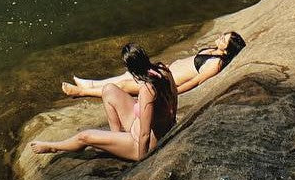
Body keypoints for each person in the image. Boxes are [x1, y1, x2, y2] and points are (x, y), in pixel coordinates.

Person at [30, 44, 178, 162]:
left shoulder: (148, 90)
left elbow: (145, 134)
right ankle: (115, 140)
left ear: (131, 68)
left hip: (141, 143)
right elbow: (174, 103)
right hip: (137, 126)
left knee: (85, 137)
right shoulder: (162, 69)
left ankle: (53, 147)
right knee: (108, 90)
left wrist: (142, 163)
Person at [61, 31, 246, 98]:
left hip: (164, 83)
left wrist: (174, 92)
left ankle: (82, 92)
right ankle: (90, 84)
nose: (220, 37)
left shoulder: (215, 64)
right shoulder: (212, 51)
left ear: (227, 49)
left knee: (125, 85)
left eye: (224, 39)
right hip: (163, 72)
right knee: (128, 75)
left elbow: (197, 81)